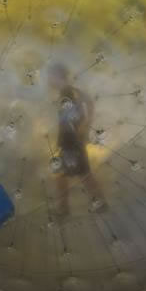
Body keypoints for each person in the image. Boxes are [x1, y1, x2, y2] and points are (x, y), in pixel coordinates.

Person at [46, 64, 106, 216]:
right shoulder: (70, 91)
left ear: (59, 77)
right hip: (70, 140)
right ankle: (66, 207)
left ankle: (66, 209)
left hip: (71, 140)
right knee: (69, 174)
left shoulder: (68, 92)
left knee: (79, 174)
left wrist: (83, 128)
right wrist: (85, 127)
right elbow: (87, 104)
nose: (49, 80)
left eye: (51, 76)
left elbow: (76, 115)